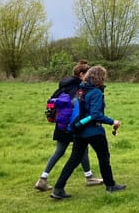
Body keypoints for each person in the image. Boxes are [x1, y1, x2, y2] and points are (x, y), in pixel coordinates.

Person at [50, 65, 125, 199]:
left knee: (73, 160)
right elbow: (96, 114)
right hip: (94, 131)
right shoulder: (96, 92)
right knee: (104, 157)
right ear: (99, 78)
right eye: (104, 77)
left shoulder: (81, 90)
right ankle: (110, 185)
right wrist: (112, 122)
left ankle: (58, 188)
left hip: (79, 130)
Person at [35, 60, 104, 191]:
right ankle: (88, 177)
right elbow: (79, 107)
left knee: (61, 151)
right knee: (81, 149)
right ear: (81, 74)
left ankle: (43, 178)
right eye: (88, 74)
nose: (90, 77)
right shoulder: (78, 88)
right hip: (72, 125)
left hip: (61, 124)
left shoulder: (64, 86)